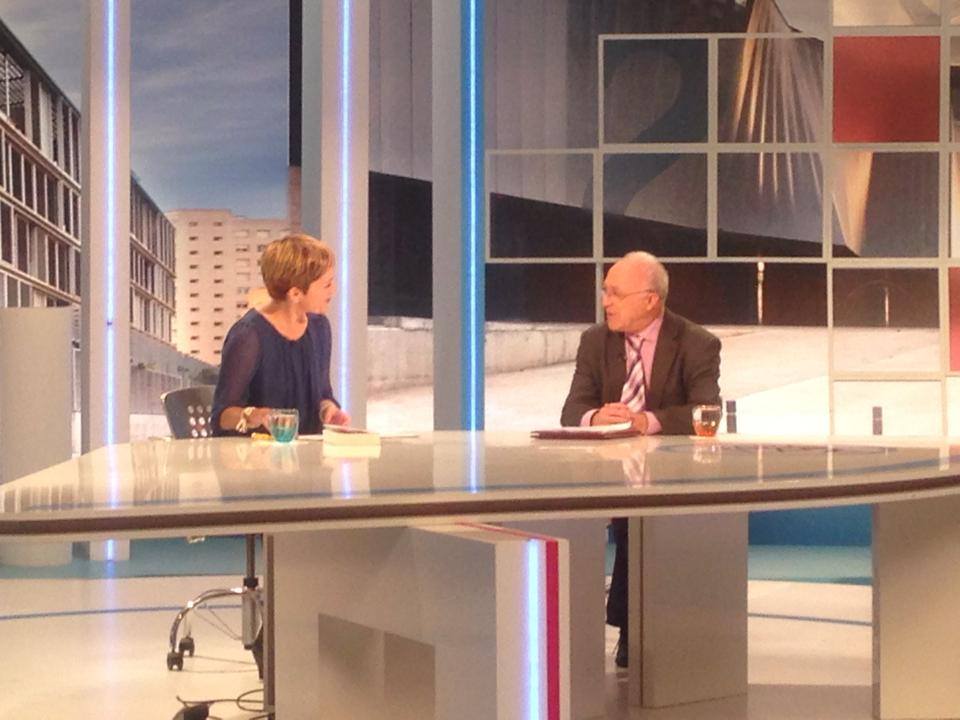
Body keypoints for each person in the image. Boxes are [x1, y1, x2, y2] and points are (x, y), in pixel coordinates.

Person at [560, 251, 721, 668]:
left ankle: (634, 629)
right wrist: (597, 416)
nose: (606, 302)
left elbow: (706, 410)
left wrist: (644, 421)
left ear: (651, 300)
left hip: (672, 473)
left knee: (639, 517)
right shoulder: (596, 341)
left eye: (615, 293)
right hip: (607, 469)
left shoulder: (696, 343)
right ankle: (604, 631)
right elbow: (572, 410)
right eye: (604, 292)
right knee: (617, 516)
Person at [212, 233, 350, 436]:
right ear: (295, 294)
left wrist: (328, 409)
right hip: (256, 453)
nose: (334, 290)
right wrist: (254, 416)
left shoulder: (320, 327)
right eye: (327, 284)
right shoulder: (248, 336)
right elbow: (222, 416)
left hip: (306, 451)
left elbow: (322, 394)